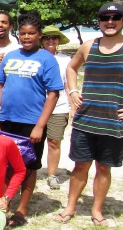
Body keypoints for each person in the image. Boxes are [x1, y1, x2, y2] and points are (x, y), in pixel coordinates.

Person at [57, 2, 123, 226]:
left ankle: (97, 210)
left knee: (104, 167)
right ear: (98, 21)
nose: (110, 21)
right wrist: (73, 90)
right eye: (105, 17)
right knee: (80, 166)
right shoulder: (88, 46)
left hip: (114, 123)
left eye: (115, 17)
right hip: (85, 120)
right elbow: (71, 67)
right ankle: (71, 207)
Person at [0, 12, 64, 227]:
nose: (27, 37)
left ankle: (22, 209)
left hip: (31, 123)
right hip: (5, 120)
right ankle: (4, 202)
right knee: (5, 164)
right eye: (23, 33)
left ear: (39, 35)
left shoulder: (47, 59)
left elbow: (53, 94)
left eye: (31, 34)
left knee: (29, 166)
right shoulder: (11, 56)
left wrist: (40, 126)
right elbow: (0, 86)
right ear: (18, 34)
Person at [39, 25, 72, 190]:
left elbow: (69, 83)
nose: (50, 40)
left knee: (54, 141)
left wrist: (73, 105)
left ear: (58, 40)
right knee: (32, 141)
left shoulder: (65, 60)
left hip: (59, 106)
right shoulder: (35, 57)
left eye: (54, 37)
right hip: (37, 106)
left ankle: (52, 174)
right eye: (47, 37)